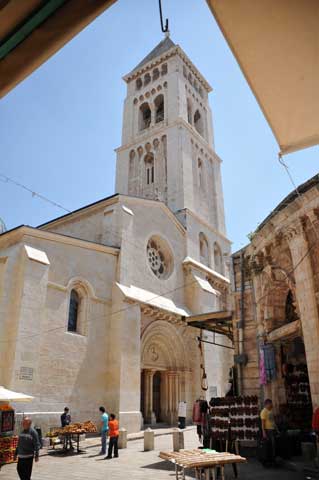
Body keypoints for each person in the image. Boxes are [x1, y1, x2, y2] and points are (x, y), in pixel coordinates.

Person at [260, 398, 277, 464]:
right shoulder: (264, 412)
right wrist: (264, 432)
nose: (272, 405)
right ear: (267, 404)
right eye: (270, 403)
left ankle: (273, 458)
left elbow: (273, 421)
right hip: (268, 430)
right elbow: (263, 423)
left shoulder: (271, 410)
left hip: (272, 429)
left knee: (273, 445)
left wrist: (276, 428)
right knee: (271, 445)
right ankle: (271, 459)